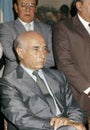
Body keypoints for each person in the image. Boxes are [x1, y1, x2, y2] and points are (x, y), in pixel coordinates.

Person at [0, 31, 86, 130]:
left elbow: (74, 108)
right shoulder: (8, 83)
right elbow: (21, 119)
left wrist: (72, 122)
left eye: (44, 49)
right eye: (36, 49)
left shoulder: (58, 76)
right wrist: (63, 126)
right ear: (20, 52)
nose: (43, 55)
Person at [52, 0, 90, 124]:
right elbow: (64, 63)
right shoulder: (63, 27)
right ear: (79, 6)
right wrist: (88, 89)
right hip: (79, 97)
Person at [0, 0, 54, 76]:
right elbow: (11, 54)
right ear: (16, 8)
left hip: (43, 75)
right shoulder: (6, 28)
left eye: (31, 5)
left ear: (35, 9)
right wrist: (39, 60)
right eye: (23, 5)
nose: (27, 9)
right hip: (16, 77)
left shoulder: (46, 28)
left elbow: (52, 57)